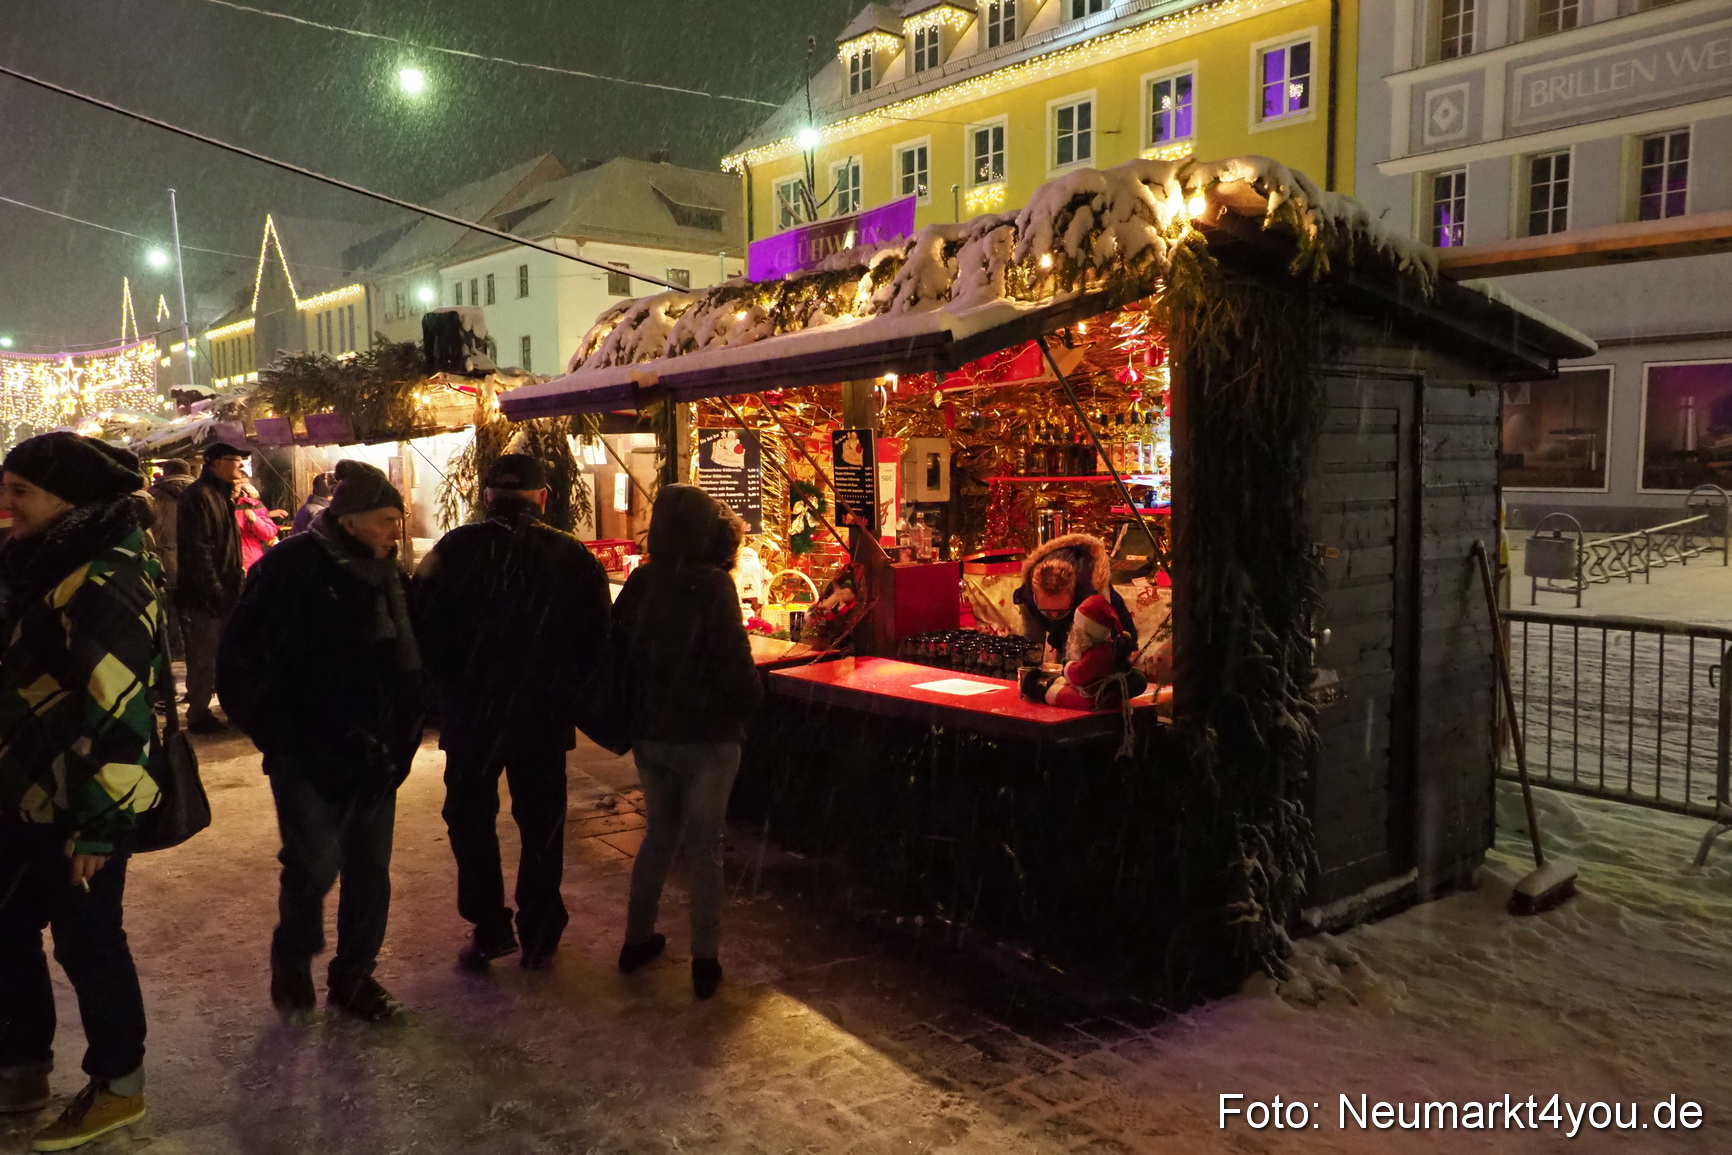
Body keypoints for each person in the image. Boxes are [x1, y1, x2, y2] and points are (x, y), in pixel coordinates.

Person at [217, 460, 424, 1024]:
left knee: (369, 870)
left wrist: (403, 733)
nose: (396, 532)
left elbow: (411, 665)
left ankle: (355, 978)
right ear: (350, 521)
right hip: (308, 754)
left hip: (378, 755)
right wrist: (284, 738)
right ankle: (293, 954)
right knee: (312, 866)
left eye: (398, 520)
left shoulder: (390, 578)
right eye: (387, 520)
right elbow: (238, 665)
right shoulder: (289, 570)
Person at [0, 434, 162, 1150]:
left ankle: (119, 1084)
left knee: (88, 942)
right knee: (8, 928)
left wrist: (99, 825)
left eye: (21, 491)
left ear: (67, 499)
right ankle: (22, 1064)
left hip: (81, 803)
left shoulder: (105, 578)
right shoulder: (39, 561)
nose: (7, 504)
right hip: (25, 791)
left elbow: (120, 710)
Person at [411, 454, 611, 971]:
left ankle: (490, 927)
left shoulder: (453, 549)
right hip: (542, 716)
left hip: (471, 715)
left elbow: (420, 632)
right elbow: (597, 641)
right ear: (542, 497)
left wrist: (447, 691)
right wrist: (566, 690)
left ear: (486, 497)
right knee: (541, 822)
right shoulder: (571, 555)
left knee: (470, 819)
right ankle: (540, 930)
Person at [612, 485, 762, 999]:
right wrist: (751, 703)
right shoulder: (712, 585)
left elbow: (619, 649)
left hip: (651, 731)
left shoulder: (642, 580)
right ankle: (705, 960)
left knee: (659, 834)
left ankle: (635, 941)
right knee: (705, 846)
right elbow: (732, 663)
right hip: (706, 736)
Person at [176, 443, 248, 734]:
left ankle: (231, 708)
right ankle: (198, 713)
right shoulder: (200, 496)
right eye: (236, 461)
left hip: (227, 587)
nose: (240, 467)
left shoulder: (220, 494)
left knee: (229, 653)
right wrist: (213, 589)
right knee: (204, 655)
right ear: (217, 462)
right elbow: (199, 547)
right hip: (206, 593)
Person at [1014, 533, 1138, 660]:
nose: (1054, 615)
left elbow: (1091, 652)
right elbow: (1033, 643)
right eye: (1047, 611)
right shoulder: (1027, 595)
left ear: (1073, 593)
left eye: (1061, 611)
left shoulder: (1091, 592)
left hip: (1110, 633)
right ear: (1034, 595)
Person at [234, 481, 280, 571]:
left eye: (237, 482)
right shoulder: (216, 503)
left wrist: (255, 520)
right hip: (226, 563)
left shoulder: (252, 504)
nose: (234, 486)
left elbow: (269, 532)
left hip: (251, 561)